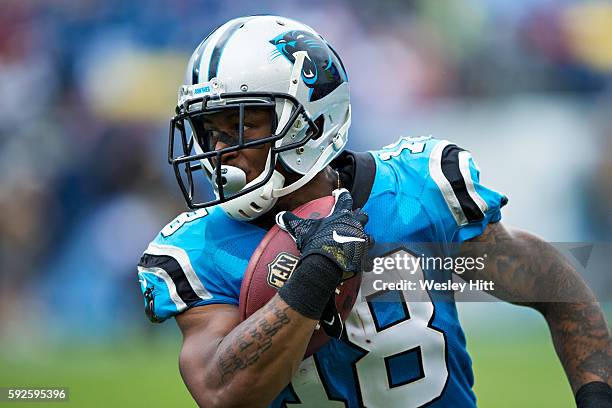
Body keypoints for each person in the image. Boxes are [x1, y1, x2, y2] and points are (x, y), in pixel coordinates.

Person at [137, 15, 611, 407]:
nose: (221, 150)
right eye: (210, 130)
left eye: (243, 126)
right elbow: (223, 395)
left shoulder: (418, 195)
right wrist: (317, 272)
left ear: (312, 119)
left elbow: (554, 282)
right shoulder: (199, 249)